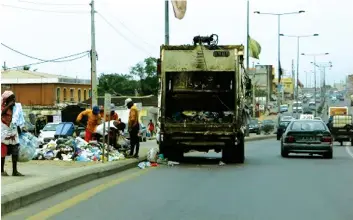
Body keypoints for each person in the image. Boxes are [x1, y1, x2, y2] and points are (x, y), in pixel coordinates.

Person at [1, 91, 23, 176]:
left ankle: (15, 171)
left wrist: (20, 130)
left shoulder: (16, 108)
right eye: (12, 98)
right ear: (7, 99)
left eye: (14, 98)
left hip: (13, 132)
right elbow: (2, 114)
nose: (14, 100)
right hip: (4, 133)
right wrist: (8, 106)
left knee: (15, 152)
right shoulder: (2, 107)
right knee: (2, 153)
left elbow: (18, 120)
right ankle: (1, 171)